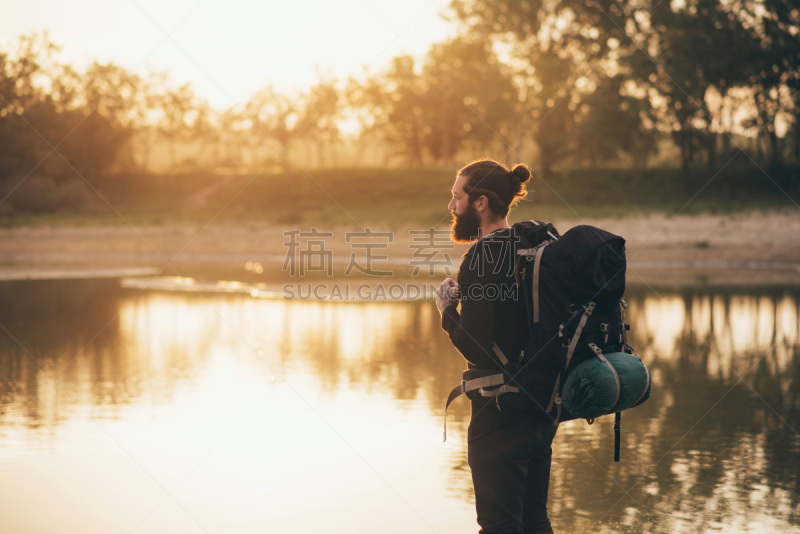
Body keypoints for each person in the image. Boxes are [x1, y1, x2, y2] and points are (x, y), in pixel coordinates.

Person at [435, 158, 558, 534]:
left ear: (481, 203)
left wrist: (446, 311)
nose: (451, 206)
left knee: (499, 526)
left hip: (498, 411)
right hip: (542, 406)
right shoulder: (530, 245)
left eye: (458, 197)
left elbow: (478, 349)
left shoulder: (482, 256)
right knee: (534, 521)